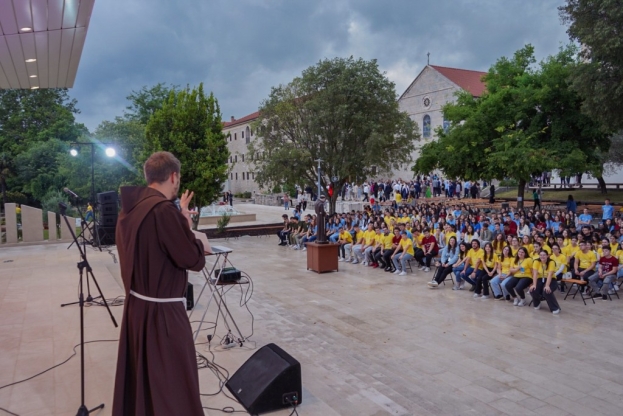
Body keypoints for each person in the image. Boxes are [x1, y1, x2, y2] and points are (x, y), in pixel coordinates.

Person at [113, 151, 206, 415]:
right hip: (162, 315)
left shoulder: (130, 209)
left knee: (146, 382)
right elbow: (193, 259)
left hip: (138, 309)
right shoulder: (163, 212)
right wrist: (187, 227)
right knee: (175, 385)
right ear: (173, 176)